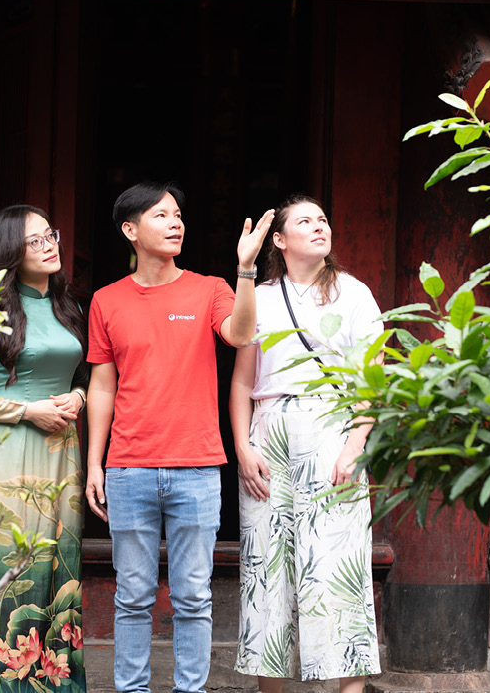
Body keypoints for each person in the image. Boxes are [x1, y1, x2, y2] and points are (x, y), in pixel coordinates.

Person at [84, 182, 274, 693]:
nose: (175, 223)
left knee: (193, 597)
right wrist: (94, 463)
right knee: (132, 597)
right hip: (128, 468)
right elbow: (102, 386)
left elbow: (240, 335)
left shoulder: (210, 288)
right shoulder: (106, 300)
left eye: (178, 215)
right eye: (161, 215)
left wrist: (246, 269)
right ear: (130, 230)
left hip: (197, 467)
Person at [230, 194, 382, 693]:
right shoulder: (261, 295)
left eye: (323, 219)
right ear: (279, 239)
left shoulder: (354, 294)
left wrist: (356, 442)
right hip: (268, 431)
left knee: (338, 568)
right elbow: (242, 379)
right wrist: (242, 447)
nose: (319, 226)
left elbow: (372, 378)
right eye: (305, 221)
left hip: (333, 429)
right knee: (266, 567)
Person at [0, 204, 88, 693]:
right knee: (10, 570)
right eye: (35, 241)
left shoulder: (68, 306)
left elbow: (83, 376)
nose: (49, 245)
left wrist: (79, 397)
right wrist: (27, 411)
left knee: (58, 569)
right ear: (11, 251)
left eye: (50, 235)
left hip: (62, 454)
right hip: (6, 455)